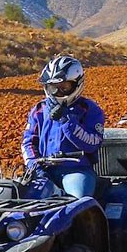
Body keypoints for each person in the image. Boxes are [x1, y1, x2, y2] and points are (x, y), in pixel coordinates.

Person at [21, 55, 104, 198]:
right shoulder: (39, 110)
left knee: (78, 204)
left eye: (64, 87)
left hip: (77, 171)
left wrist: (67, 121)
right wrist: (35, 166)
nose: (57, 92)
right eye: (53, 87)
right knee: (20, 200)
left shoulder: (90, 109)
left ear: (77, 84)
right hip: (43, 171)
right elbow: (28, 142)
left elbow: (92, 143)